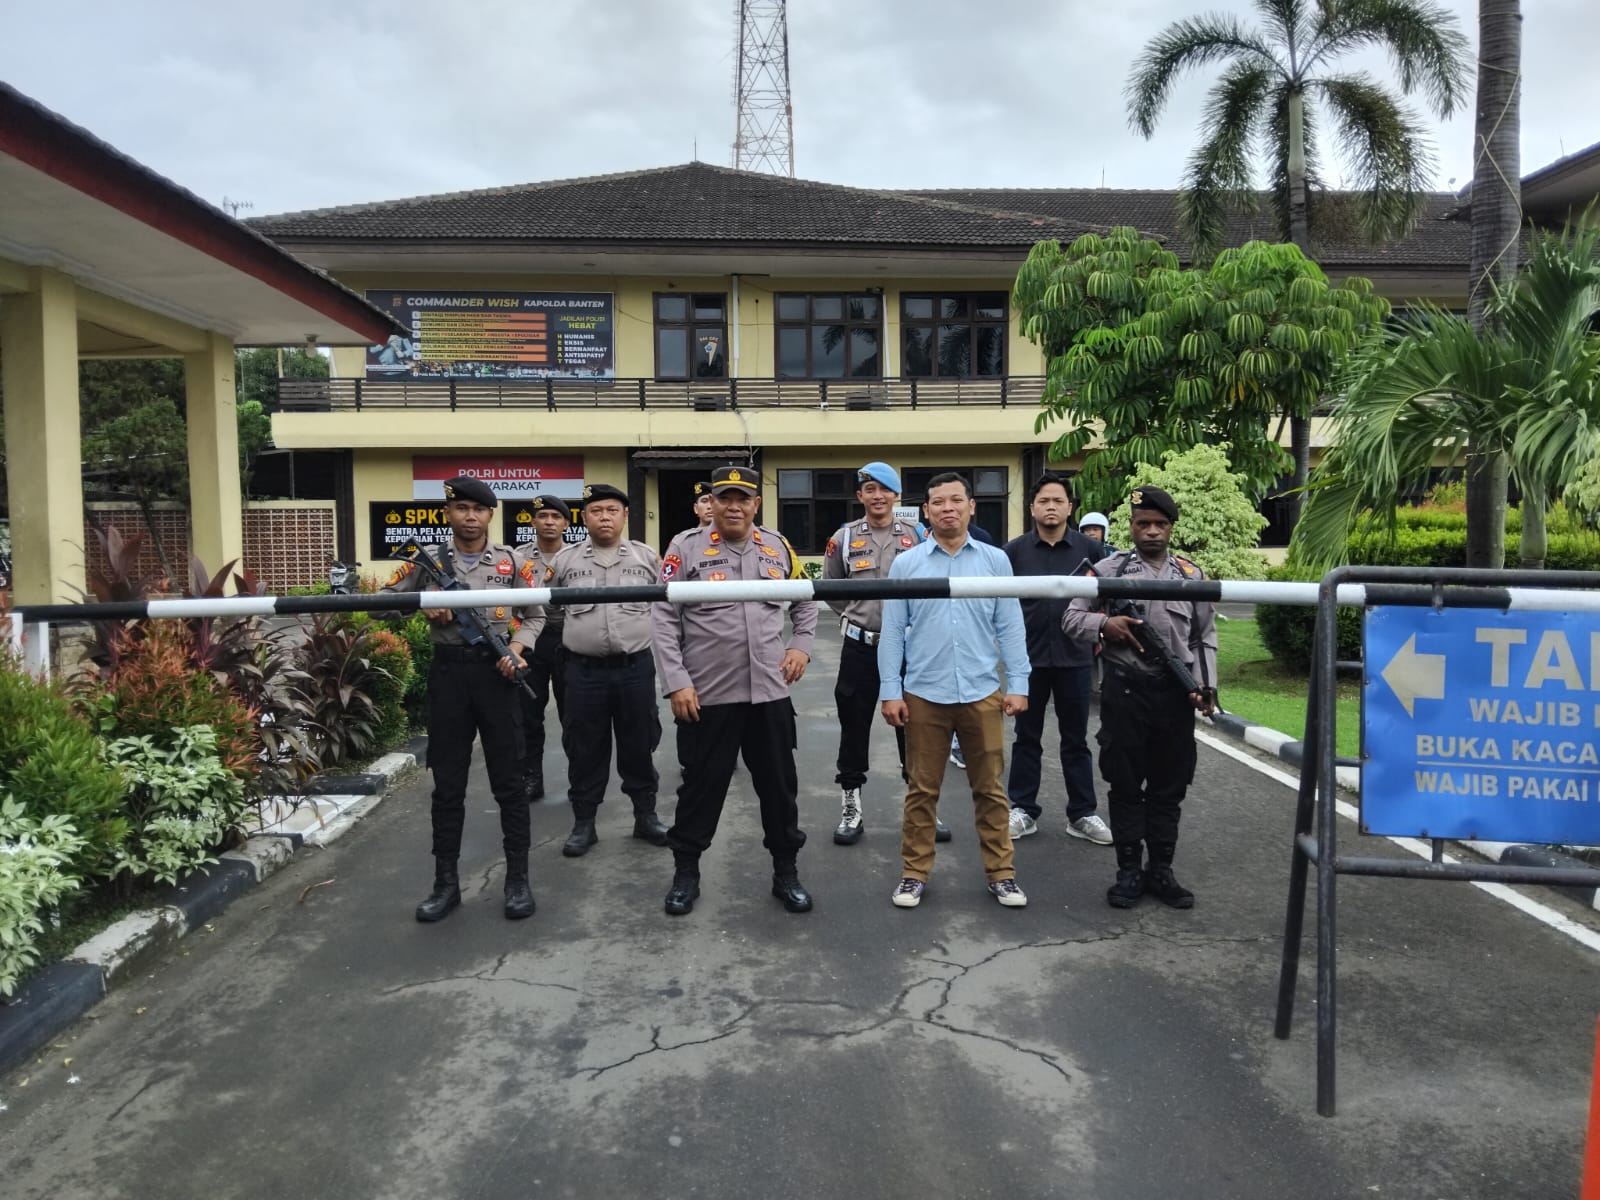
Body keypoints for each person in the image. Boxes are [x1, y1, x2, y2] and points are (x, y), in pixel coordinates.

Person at [652, 464, 817, 916]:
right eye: (724, 497)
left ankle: (786, 872)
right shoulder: (685, 547)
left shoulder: (777, 546)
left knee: (780, 790)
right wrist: (677, 682)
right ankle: (686, 873)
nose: (733, 506)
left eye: (743, 498)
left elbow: (806, 600)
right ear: (712, 502)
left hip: (769, 693)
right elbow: (662, 619)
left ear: (756, 504)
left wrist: (801, 645)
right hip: (708, 696)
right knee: (700, 791)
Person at [380, 475, 544, 923]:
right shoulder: (428, 561)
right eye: (462, 509)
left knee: (510, 783)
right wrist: (422, 599)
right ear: (448, 513)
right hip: (449, 676)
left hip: (498, 677)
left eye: (479, 510)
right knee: (448, 785)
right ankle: (445, 883)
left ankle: (517, 881)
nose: (470, 517)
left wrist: (516, 650)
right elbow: (379, 603)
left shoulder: (512, 562)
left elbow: (535, 614)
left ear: (490, 515)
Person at [878, 472, 1031, 910]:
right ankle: (914, 874)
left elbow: (1010, 625)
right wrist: (891, 690)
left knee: (990, 789)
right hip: (924, 693)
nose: (948, 508)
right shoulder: (907, 564)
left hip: (982, 692)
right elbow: (893, 631)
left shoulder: (995, 561)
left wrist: (1018, 683)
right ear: (926, 511)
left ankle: (1002, 874)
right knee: (922, 790)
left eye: (956, 500)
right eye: (939, 502)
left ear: (971, 507)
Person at [1062, 486, 1218, 910]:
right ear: (1130, 526)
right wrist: (1104, 625)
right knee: (1125, 783)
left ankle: (1161, 870)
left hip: (1175, 695)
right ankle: (1129, 871)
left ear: (1171, 528)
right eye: (1143, 523)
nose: (1151, 531)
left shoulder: (1191, 575)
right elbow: (1071, 617)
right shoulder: (1106, 570)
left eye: (1160, 524)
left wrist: (1205, 685)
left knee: (1170, 785)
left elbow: (1204, 637)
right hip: (1125, 690)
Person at [822, 462, 950, 846]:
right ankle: (851, 806)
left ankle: (922, 806)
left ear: (896, 495)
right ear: (859, 495)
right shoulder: (843, 538)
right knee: (854, 725)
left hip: (909, 649)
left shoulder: (919, 536)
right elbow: (831, 588)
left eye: (884, 489)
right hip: (860, 647)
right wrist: (856, 616)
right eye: (870, 489)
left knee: (914, 727)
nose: (877, 496)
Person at [550, 484, 669, 857]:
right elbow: (545, 608)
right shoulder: (565, 561)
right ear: (584, 517)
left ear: (625, 516)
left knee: (640, 744)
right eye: (596, 510)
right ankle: (584, 823)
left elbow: (669, 607)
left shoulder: (647, 558)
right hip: (583, 672)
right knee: (584, 748)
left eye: (612, 510)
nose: (604, 517)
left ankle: (645, 816)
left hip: (635, 669)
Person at [1003, 473, 1113, 844]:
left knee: (1076, 740)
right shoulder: (1013, 552)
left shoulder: (1091, 551)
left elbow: (1105, 601)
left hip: (1076, 658)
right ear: (1032, 508)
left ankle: (1082, 813)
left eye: (1058, 501)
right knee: (1026, 737)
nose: (1051, 507)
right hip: (1027, 660)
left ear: (1070, 508)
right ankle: (1022, 809)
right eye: (1043, 501)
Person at [519, 493, 571, 803]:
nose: (549, 522)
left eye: (556, 517)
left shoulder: (578, 555)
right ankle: (531, 778)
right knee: (528, 713)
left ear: (566, 524)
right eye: (543, 516)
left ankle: (580, 778)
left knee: (573, 713)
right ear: (533, 521)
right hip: (530, 641)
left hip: (568, 638)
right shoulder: (517, 558)